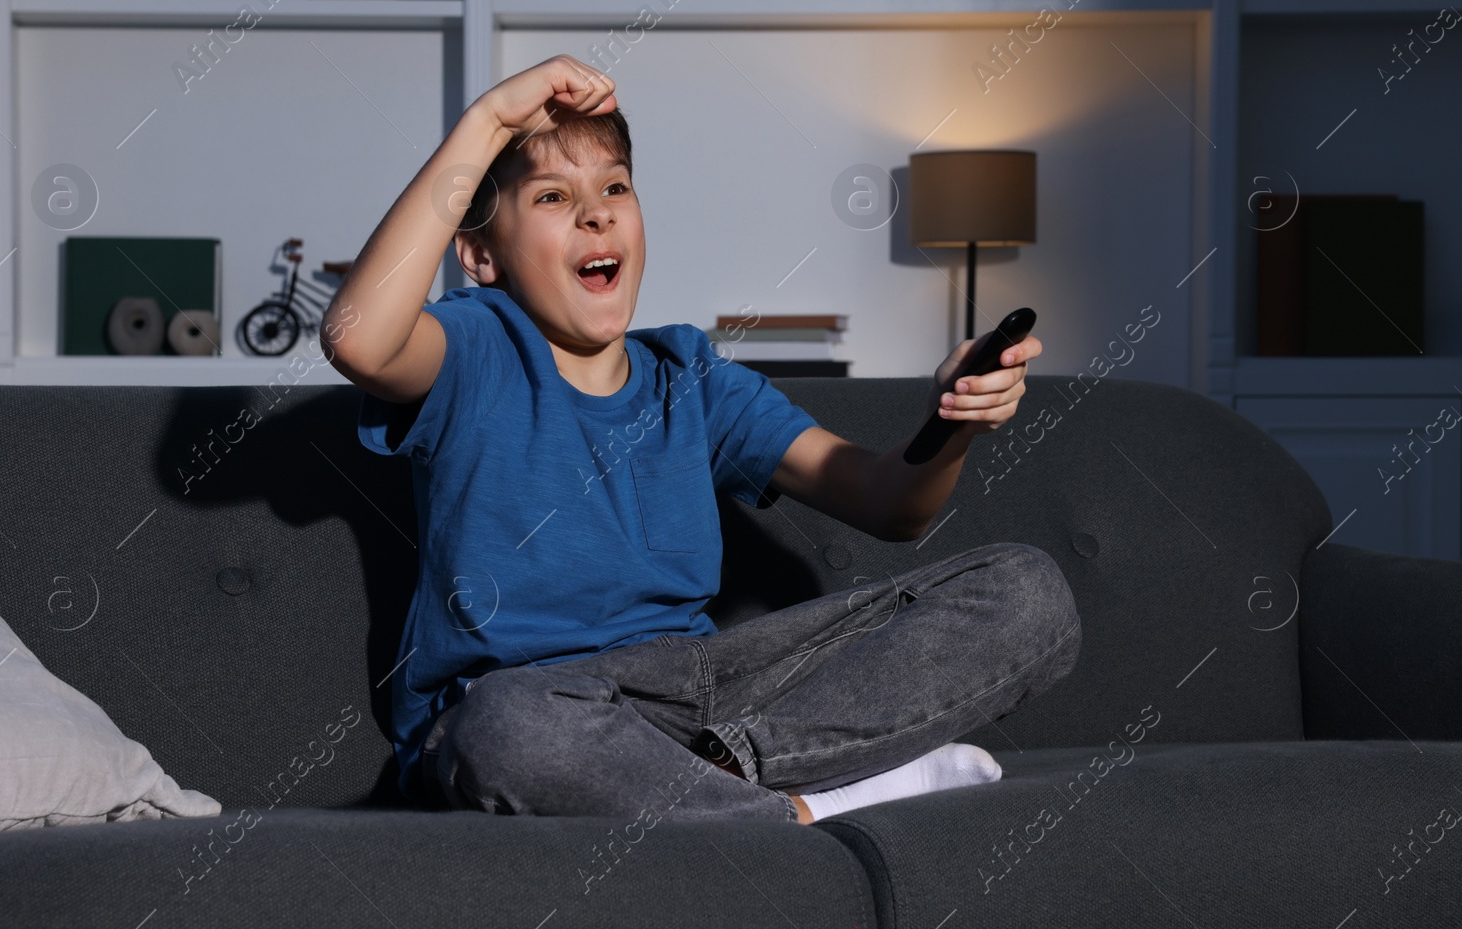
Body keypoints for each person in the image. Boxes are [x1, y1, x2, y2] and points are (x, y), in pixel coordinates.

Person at [323, 54, 1080, 825]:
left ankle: (737, 785)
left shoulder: (691, 375)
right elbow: (358, 339)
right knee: (505, 725)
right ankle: (810, 808)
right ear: (481, 256)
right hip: (549, 705)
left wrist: (949, 423)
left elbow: (892, 505)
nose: (597, 213)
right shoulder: (475, 347)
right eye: (553, 196)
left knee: (1026, 588)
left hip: (709, 698)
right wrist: (486, 121)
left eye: (614, 186)